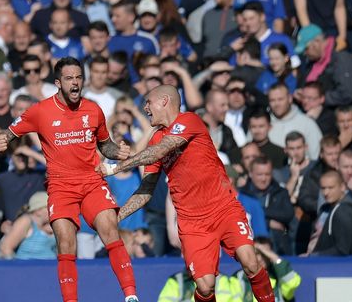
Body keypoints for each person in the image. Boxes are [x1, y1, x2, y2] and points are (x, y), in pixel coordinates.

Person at [98, 85, 275, 302]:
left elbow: (161, 150)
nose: (144, 108)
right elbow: (146, 190)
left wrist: (115, 167)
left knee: (250, 261)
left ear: (164, 101)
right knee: (205, 285)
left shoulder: (189, 120)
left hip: (223, 208)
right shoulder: (154, 139)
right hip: (192, 223)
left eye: (148, 102)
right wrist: (117, 217)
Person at [0, 57, 140, 302]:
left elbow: (106, 146)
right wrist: (1, 140)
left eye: (79, 78)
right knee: (65, 241)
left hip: (91, 182)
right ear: (58, 83)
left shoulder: (93, 110)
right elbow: (8, 133)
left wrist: (119, 152)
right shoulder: (40, 111)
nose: (75, 83)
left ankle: (131, 296)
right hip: (61, 186)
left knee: (109, 228)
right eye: (69, 78)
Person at [307, 171, 352, 256]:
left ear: (342, 187)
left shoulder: (343, 212)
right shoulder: (325, 209)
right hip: (319, 264)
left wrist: (312, 256)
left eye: (330, 188)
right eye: (323, 188)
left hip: (334, 267)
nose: (326, 193)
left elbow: (342, 250)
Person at [235, 238, 301, 302]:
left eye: (264, 254)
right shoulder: (240, 276)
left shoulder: (279, 274)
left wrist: (274, 258)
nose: (260, 259)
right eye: (257, 253)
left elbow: (292, 285)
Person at [0, 191, 57, 260]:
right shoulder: (26, 221)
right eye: (50, 207)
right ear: (38, 210)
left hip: (51, 268)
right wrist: (16, 268)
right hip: (28, 268)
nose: (54, 210)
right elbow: (6, 248)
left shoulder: (52, 224)